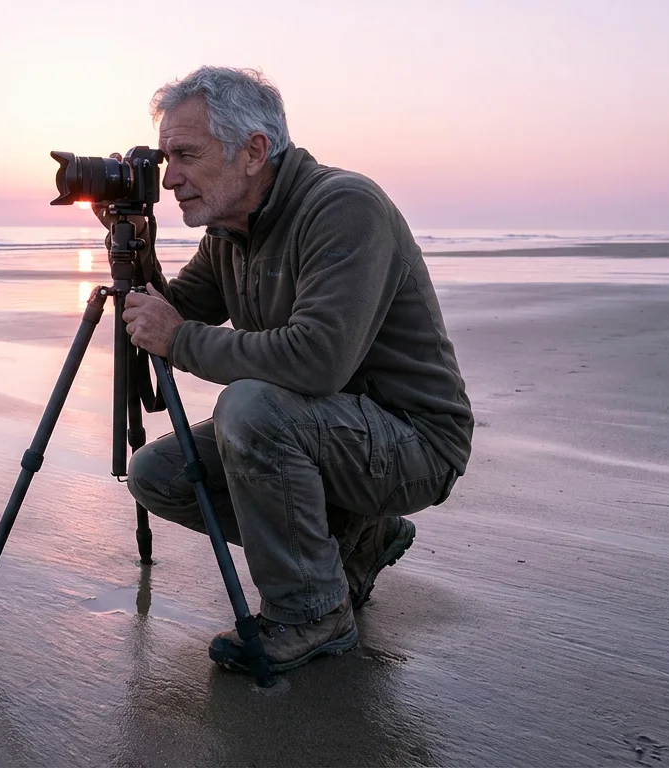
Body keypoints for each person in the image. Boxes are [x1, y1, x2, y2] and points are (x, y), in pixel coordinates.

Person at [103, 66, 472, 674]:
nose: (171, 179)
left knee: (250, 407)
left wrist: (180, 339)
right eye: (165, 159)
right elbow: (177, 310)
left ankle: (311, 612)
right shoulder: (229, 231)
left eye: (186, 155)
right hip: (325, 435)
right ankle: (357, 540)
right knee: (158, 474)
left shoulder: (344, 207)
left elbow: (315, 360)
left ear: (253, 151)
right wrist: (133, 250)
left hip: (413, 444)